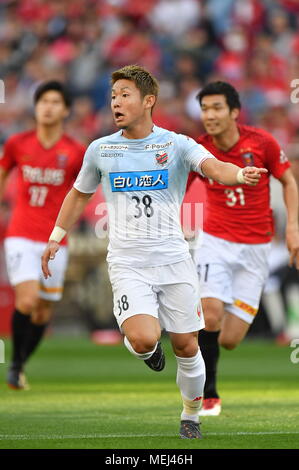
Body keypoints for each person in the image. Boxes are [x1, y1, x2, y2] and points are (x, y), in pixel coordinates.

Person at [41, 65, 266, 439]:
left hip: (174, 260)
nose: (115, 101)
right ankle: (148, 353)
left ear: (148, 101)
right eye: (113, 96)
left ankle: (191, 413)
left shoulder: (175, 144)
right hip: (128, 262)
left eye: (124, 94)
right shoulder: (101, 149)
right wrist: (56, 235)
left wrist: (239, 175)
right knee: (145, 339)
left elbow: (211, 166)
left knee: (186, 343)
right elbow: (79, 193)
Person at [187, 81, 299, 416]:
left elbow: (289, 181)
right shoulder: (198, 149)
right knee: (210, 314)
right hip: (215, 242)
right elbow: (177, 186)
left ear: (235, 111)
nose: (210, 115)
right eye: (205, 108)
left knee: (230, 339)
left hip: (255, 249)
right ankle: (208, 394)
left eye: (217, 107)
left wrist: (293, 227)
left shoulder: (261, 142)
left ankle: (197, 345)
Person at [0, 81, 85, 390]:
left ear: (65, 110)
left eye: (54, 101)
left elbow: (83, 192)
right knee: (27, 300)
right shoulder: (17, 144)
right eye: (43, 101)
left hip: (55, 239)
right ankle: (15, 366)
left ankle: (21, 363)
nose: (48, 107)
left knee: (44, 310)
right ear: (36, 107)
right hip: (20, 233)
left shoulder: (75, 152)